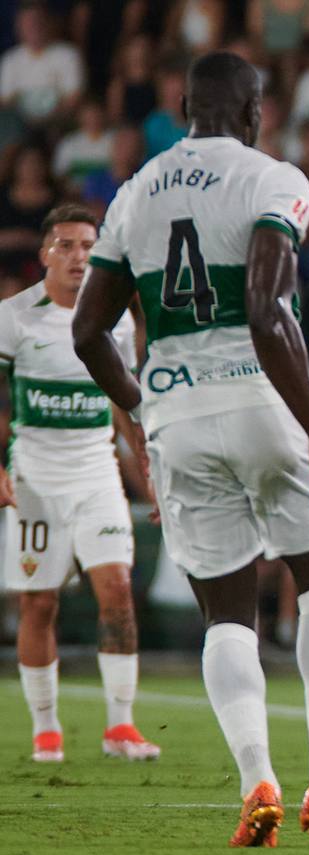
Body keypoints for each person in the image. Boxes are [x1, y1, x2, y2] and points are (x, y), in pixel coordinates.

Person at [72, 51, 309, 848]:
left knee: (227, 611)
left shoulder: (134, 191)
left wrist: (140, 412)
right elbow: (268, 309)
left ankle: (256, 785)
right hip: (259, 397)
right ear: (253, 113)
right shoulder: (273, 178)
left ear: (181, 106)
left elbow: (86, 330)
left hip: (177, 416)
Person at [0, 204, 157, 764]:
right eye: (65, 245)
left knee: (116, 591)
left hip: (97, 475)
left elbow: (125, 406)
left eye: (88, 246)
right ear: (45, 253)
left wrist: (150, 476)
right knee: (38, 603)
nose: (78, 256)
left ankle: (121, 727)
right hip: (34, 481)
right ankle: (46, 728)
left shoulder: (111, 321)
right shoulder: (14, 317)